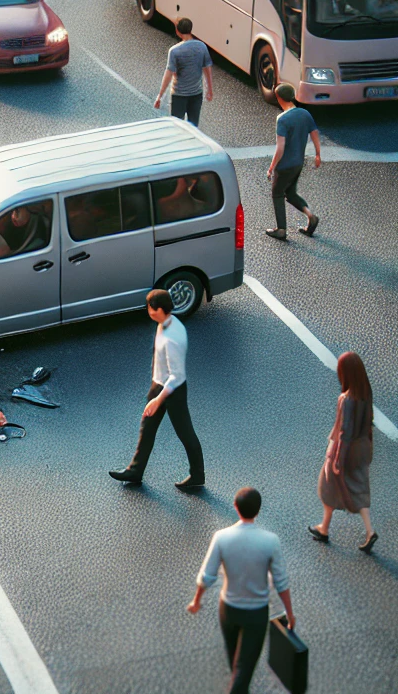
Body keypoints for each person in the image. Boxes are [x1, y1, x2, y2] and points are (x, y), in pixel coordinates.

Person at [188, 488, 294, 694]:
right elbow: (281, 582)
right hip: (256, 613)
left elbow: (207, 575)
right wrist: (290, 614)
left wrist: (196, 600)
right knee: (243, 667)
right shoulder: (270, 541)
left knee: (234, 661)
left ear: (235, 508)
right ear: (258, 510)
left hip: (228, 609)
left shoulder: (221, 537)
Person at [109, 288, 205, 489]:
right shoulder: (165, 323)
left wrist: (158, 399)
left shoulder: (173, 338)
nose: (148, 311)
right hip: (159, 385)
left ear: (159, 309)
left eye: (150, 308)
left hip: (173, 391)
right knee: (147, 427)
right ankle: (135, 471)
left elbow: (177, 376)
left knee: (185, 433)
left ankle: (197, 476)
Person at [309, 351, 377, 553]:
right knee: (359, 486)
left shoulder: (346, 399)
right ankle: (369, 530)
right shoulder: (366, 393)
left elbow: (344, 432)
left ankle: (324, 528)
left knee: (328, 484)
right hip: (362, 447)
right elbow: (369, 422)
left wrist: (337, 458)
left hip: (344, 448)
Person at [265, 83, 320, 241]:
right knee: (290, 193)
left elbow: (280, 148)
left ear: (279, 98)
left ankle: (281, 229)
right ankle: (311, 217)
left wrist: (271, 167)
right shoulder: (304, 113)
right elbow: (314, 133)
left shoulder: (282, 119)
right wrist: (317, 154)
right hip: (298, 163)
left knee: (277, 194)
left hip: (284, 166)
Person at [154, 17, 213, 127]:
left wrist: (160, 96)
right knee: (193, 127)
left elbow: (168, 74)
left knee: (177, 127)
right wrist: (210, 90)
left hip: (179, 95)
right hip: (196, 94)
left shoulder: (175, 51)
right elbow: (207, 69)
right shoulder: (202, 47)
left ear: (177, 31)